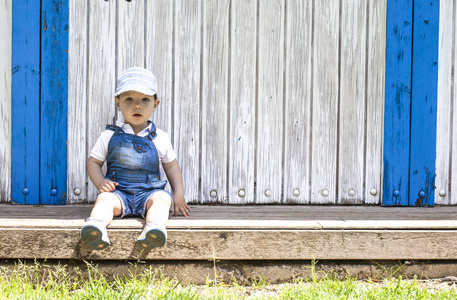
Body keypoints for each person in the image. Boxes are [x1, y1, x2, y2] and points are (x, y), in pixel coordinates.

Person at [80, 67, 190, 250]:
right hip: (118, 192)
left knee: (163, 199)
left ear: (156, 104)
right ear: (118, 103)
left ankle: (154, 228)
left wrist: (178, 193)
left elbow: (171, 167)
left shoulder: (160, 137)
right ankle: (96, 226)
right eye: (129, 99)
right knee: (104, 200)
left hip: (149, 193)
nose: (137, 105)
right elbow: (93, 162)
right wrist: (100, 183)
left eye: (145, 99)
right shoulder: (109, 135)